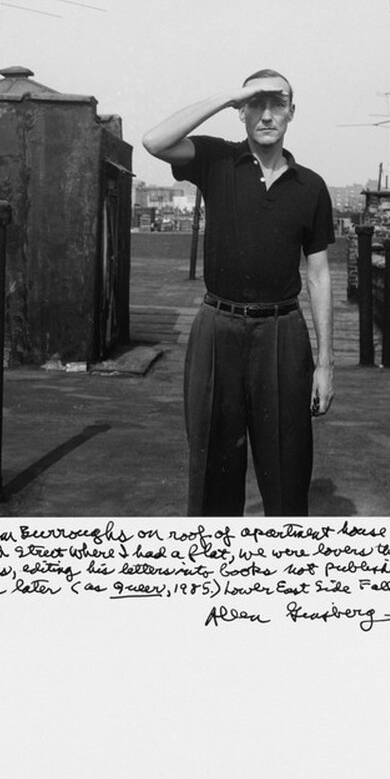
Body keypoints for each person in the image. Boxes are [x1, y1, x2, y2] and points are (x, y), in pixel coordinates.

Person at [142, 69, 334, 517]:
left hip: (283, 334)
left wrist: (325, 365)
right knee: (213, 474)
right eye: (256, 104)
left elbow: (319, 274)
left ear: (292, 112)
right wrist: (232, 93)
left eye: (278, 103)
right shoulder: (216, 160)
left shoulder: (311, 187)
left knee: (288, 475)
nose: (267, 114)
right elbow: (155, 141)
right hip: (217, 330)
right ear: (242, 112)